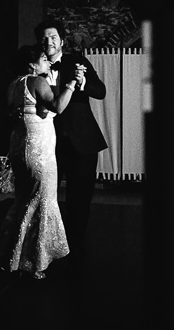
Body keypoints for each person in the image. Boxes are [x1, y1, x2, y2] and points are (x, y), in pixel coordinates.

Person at [0, 44, 80, 280]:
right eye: (43, 58)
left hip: (20, 146)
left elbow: (12, 113)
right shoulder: (37, 82)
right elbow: (58, 106)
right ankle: (33, 262)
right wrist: (71, 84)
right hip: (40, 151)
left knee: (23, 200)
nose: (47, 61)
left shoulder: (14, 84)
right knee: (42, 200)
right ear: (32, 64)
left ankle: (10, 255)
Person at [36, 17, 107, 267]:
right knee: (47, 196)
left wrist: (83, 82)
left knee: (80, 198)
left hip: (82, 141)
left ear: (62, 41)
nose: (49, 41)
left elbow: (100, 91)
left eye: (53, 37)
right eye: (45, 38)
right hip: (48, 142)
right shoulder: (35, 66)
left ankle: (76, 247)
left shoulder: (77, 62)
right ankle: (47, 245)